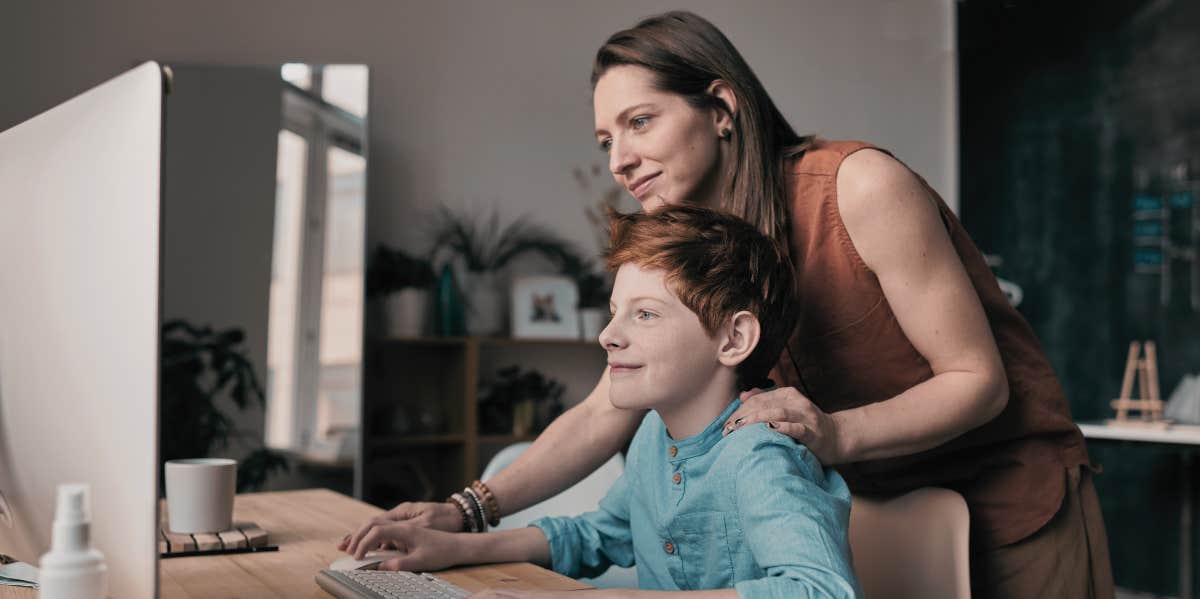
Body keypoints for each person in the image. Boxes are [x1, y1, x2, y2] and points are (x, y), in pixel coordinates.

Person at [343, 11, 1113, 598]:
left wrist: (834, 432)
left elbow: (978, 380)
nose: (620, 158)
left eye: (640, 122)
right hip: (870, 503)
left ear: (720, 107)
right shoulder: (684, 241)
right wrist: (467, 509)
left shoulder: (858, 187)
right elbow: (606, 407)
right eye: (606, 138)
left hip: (1012, 501)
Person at [343, 205, 860, 597]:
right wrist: (456, 547)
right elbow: (601, 535)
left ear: (732, 339)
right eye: (615, 312)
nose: (608, 336)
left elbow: (823, 589)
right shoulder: (655, 436)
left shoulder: (760, 457)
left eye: (646, 314)